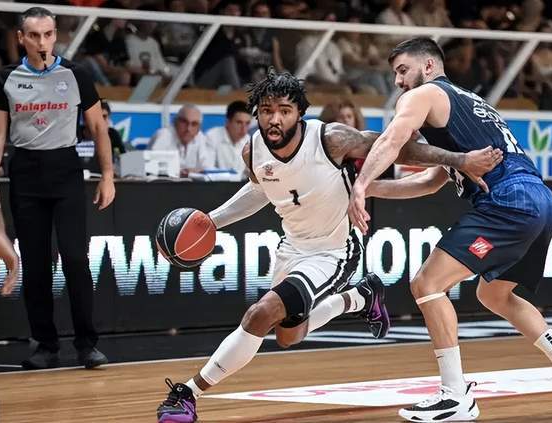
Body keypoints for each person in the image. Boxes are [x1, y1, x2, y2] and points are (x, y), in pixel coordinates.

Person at [155, 68, 502, 423]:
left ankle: (188, 394)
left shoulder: (332, 139)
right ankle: (360, 297)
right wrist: (211, 221)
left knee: (261, 313)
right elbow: (259, 190)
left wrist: (458, 159)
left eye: (284, 110)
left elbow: (395, 146)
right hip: (292, 247)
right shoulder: (252, 150)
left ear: (299, 113)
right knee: (288, 336)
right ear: (257, 113)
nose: (275, 119)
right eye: (267, 110)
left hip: (334, 251)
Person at [348, 37, 552, 422]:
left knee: (427, 284)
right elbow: (429, 182)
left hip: (509, 201)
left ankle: (455, 396)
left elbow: (393, 138)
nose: (398, 81)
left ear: (428, 66)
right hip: (540, 200)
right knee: (494, 294)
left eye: (402, 70)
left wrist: (362, 183)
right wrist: (369, 189)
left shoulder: (425, 94)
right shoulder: (469, 105)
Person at [0, 7, 115, 369]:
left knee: (76, 258)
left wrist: (107, 175)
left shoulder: (76, 74)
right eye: (34, 35)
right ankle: (45, 345)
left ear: (55, 35)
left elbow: (98, 128)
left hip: (65, 170)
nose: (42, 42)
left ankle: (86, 343)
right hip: (25, 171)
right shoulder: (5, 78)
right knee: (35, 264)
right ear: (21, 38)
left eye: (48, 34)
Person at [150, 104, 215, 177]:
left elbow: (208, 169)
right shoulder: (163, 135)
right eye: (184, 122)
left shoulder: (200, 138)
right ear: (175, 122)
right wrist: (186, 171)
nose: (188, 129)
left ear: (199, 128)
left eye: (194, 124)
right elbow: (153, 167)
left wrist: (184, 171)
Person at [205, 100, 252, 180]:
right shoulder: (212, 136)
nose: (244, 129)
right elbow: (208, 170)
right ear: (227, 122)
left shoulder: (249, 140)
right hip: (216, 185)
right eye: (239, 122)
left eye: (247, 123)